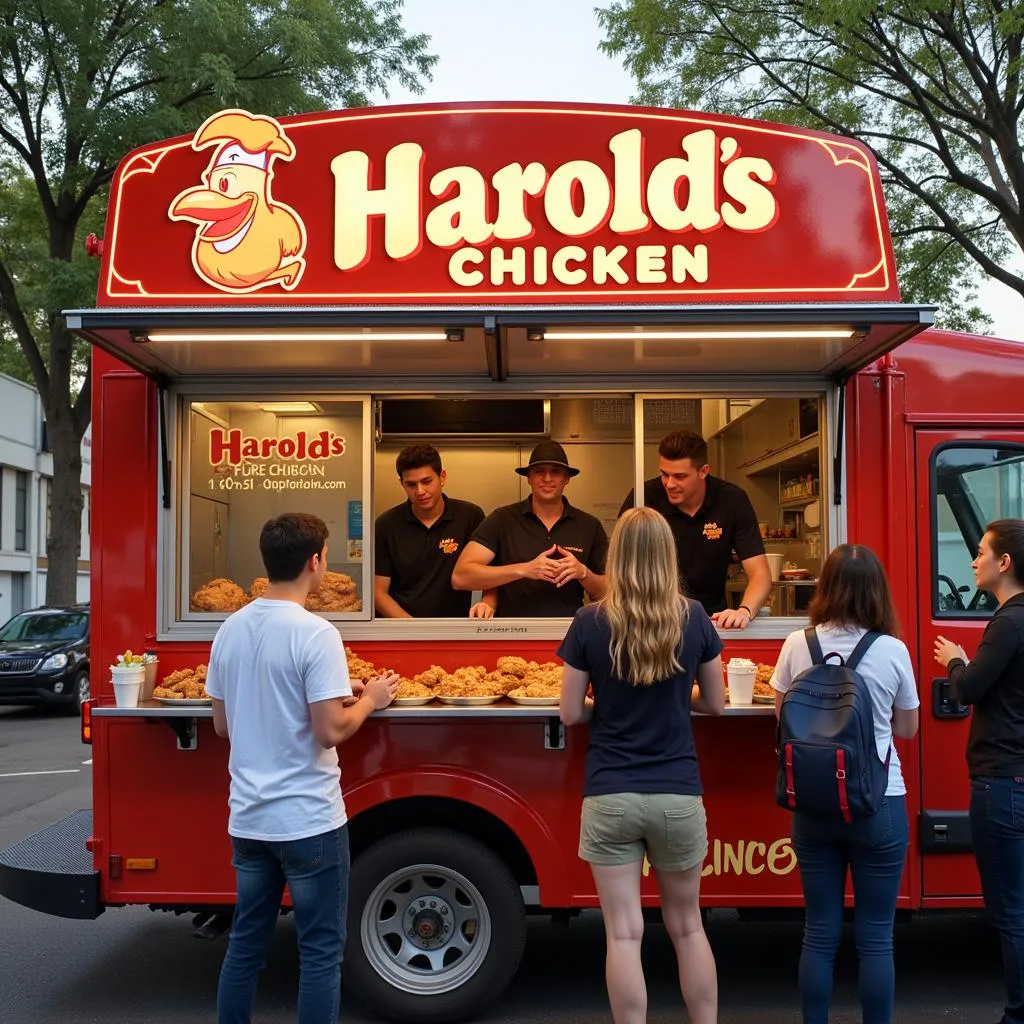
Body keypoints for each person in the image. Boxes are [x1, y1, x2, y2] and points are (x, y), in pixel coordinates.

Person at [206, 512, 399, 1024]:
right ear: (316, 562)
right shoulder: (317, 634)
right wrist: (371, 700)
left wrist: (338, 693)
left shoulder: (229, 629)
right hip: (308, 821)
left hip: (248, 820)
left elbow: (222, 726)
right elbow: (330, 730)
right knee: (319, 954)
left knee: (245, 946)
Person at [558, 506, 725, 1024]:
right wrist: (679, 699)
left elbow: (569, 712)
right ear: (668, 555)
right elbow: (716, 703)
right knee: (688, 927)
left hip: (611, 793)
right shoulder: (693, 616)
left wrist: (603, 703)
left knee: (624, 932)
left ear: (618, 558)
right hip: (677, 792)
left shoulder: (589, 620)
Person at [771, 544, 920, 1024]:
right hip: (879, 804)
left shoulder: (798, 644)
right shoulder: (892, 650)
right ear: (877, 592)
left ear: (825, 587)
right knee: (877, 936)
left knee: (818, 932)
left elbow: (781, 717)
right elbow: (908, 729)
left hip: (814, 804)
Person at [934, 519, 1024, 1024]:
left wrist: (955, 661)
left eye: (982, 551)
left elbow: (968, 690)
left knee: (1010, 912)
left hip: (1001, 781)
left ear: (1004, 563)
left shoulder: (1007, 623)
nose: (974, 560)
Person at [619, 429, 771, 628]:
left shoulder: (732, 500)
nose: (669, 484)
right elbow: (620, 566)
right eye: (664, 474)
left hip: (711, 621)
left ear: (703, 471)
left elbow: (761, 575)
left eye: (680, 476)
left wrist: (745, 611)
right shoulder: (643, 497)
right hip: (650, 621)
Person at [452, 440, 608, 616]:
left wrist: (584, 573)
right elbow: (461, 577)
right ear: (529, 478)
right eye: (539, 471)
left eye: (555, 472)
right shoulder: (502, 520)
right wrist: (524, 569)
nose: (547, 478)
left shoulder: (589, 526)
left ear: (566, 478)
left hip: (570, 632)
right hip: (511, 633)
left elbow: (611, 592)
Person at [374, 444, 494, 618]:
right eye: (411, 484)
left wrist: (487, 602)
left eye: (426, 481)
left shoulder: (470, 516)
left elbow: (490, 571)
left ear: (442, 477)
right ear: (402, 484)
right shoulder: (386, 524)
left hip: (452, 629)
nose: (420, 491)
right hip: (400, 631)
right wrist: (413, 630)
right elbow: (378, 592)